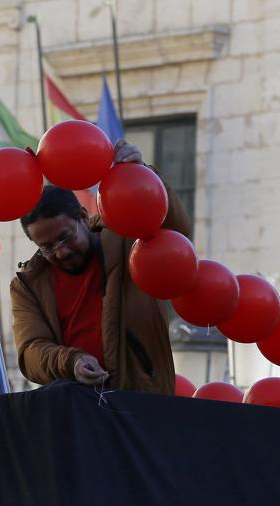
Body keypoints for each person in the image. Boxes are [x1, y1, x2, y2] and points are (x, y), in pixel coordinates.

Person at [10, 140, 193, 395]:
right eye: (47, 246)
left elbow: (177, 235)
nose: (61, 251)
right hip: (78, 408)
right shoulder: (27, 285)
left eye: (65, 237)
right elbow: (30, 352)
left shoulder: (128, 236)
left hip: (144, 401)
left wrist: (143, 174)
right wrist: (72, 362)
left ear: (83, 217)